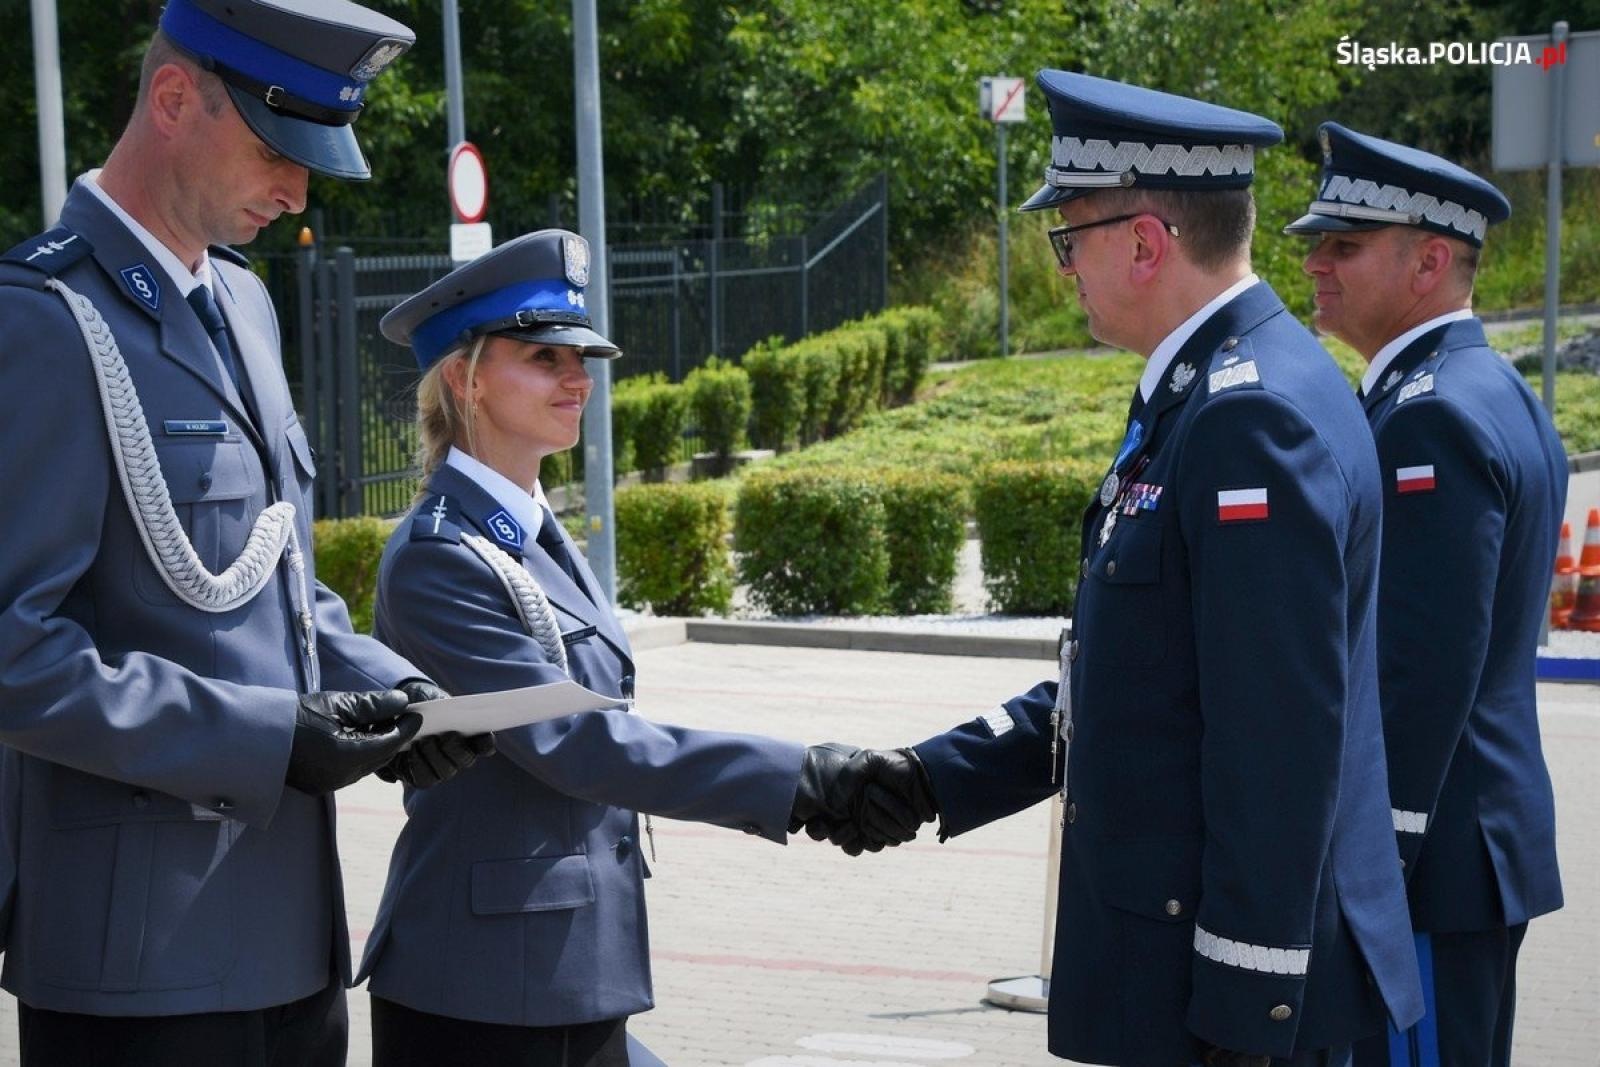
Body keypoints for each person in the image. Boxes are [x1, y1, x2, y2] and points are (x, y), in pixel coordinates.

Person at [797, 71, 1426, 1067]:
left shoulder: (1247, 415)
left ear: (1143, 240)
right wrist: (931, 777)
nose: (1061, 270)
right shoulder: (1220, 389)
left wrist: (1246, 1000)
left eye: (1067, 238)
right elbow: (1146, 675)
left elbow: (1274, 739)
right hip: (1194, 972)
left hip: (1221, 991)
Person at [0, 2, 487, 1063]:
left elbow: (275, 581)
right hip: (139, 959)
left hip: (291, 940)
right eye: (277, 149)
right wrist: (268, 736)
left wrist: (394, 692)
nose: (298, 190)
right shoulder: (37, 320)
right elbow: (14, 654)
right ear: (174, 100)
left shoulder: (244, 306)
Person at [360, 228, 883, 1067]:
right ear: (465, 379)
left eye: (582, 359)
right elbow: (572, 738)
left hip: (565, 967)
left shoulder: (529, 529)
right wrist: (796, 778)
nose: (578, 378)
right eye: (543, 357)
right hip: (483, 985)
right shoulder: (439, 556)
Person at [1287, 123, 1565, 1067]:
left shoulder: (1431, 413)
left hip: (1432, 859)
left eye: (1345, 244)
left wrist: (1374, 860)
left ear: (1430, 261)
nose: (1317, 262)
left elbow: (1420, 668)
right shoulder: (1488, 388)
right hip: (1467, 845)